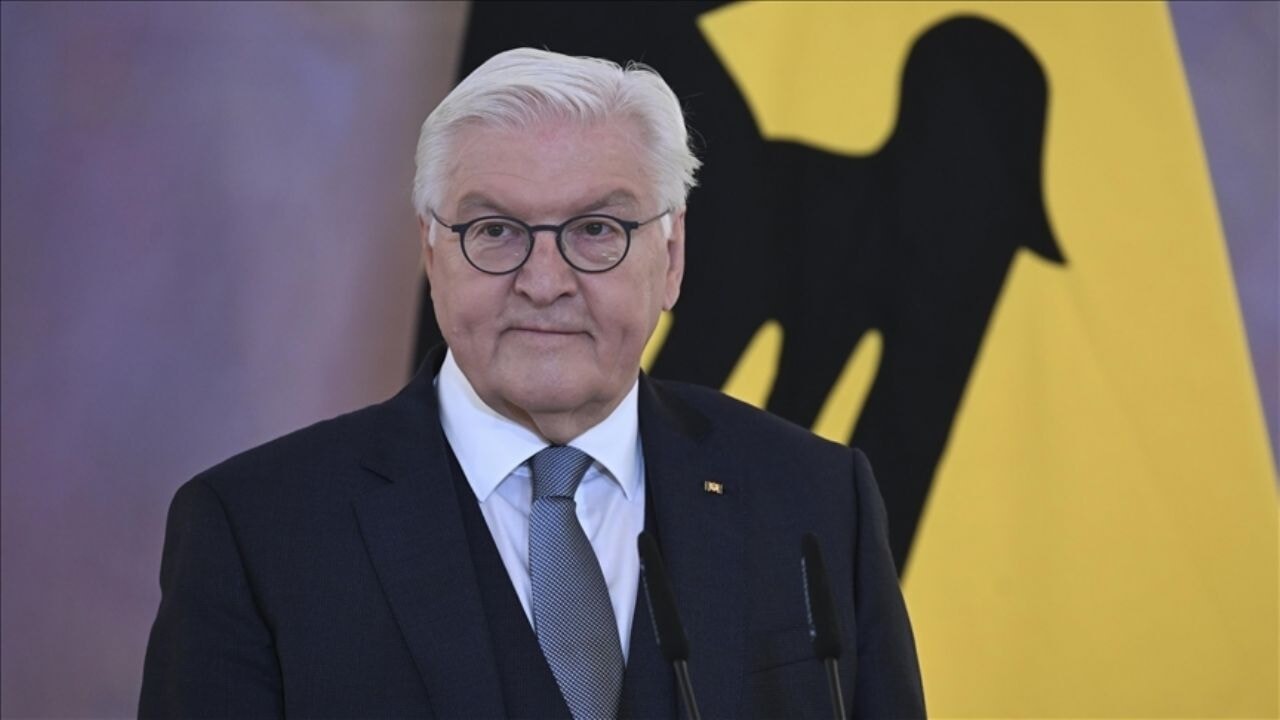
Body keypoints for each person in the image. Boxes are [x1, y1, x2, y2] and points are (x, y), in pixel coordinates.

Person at [139, 47, 925, 719]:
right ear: (432, 253)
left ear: (672, 256)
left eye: (597, 230)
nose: (544, 282)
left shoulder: (815, 500)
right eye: (495, 231)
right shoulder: (257, 531)